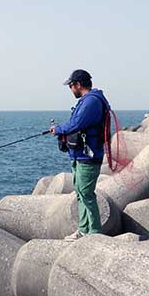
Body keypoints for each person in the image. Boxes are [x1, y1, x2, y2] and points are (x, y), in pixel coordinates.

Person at [50, 69, 110, 241]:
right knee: (80, 192)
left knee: (86, 193)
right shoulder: (87, 101)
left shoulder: (91, 101)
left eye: (71, 86)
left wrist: (59, 130)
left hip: (88, 156)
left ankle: (95, 233)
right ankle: (83, 230)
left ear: (78, 84)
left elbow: (77, 123)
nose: (70, 89)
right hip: (79, 155)